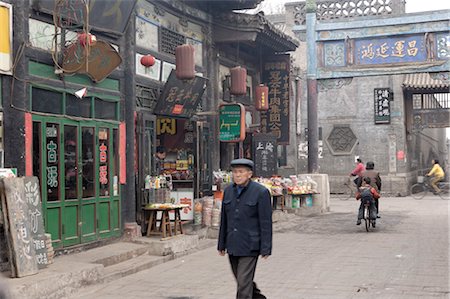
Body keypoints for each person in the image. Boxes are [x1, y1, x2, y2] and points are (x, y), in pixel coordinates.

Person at [218, 158, 272, 299]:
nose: (237, 175)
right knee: (243, 281)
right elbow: (224, 219)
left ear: (249, 174)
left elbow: (265, 222)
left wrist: (266, 247)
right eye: (235, 172)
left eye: (241, 172)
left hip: (250, 245)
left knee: (243, 285)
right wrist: (221, 244)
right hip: (233, 243)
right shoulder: (228, 191)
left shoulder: (260, 192)